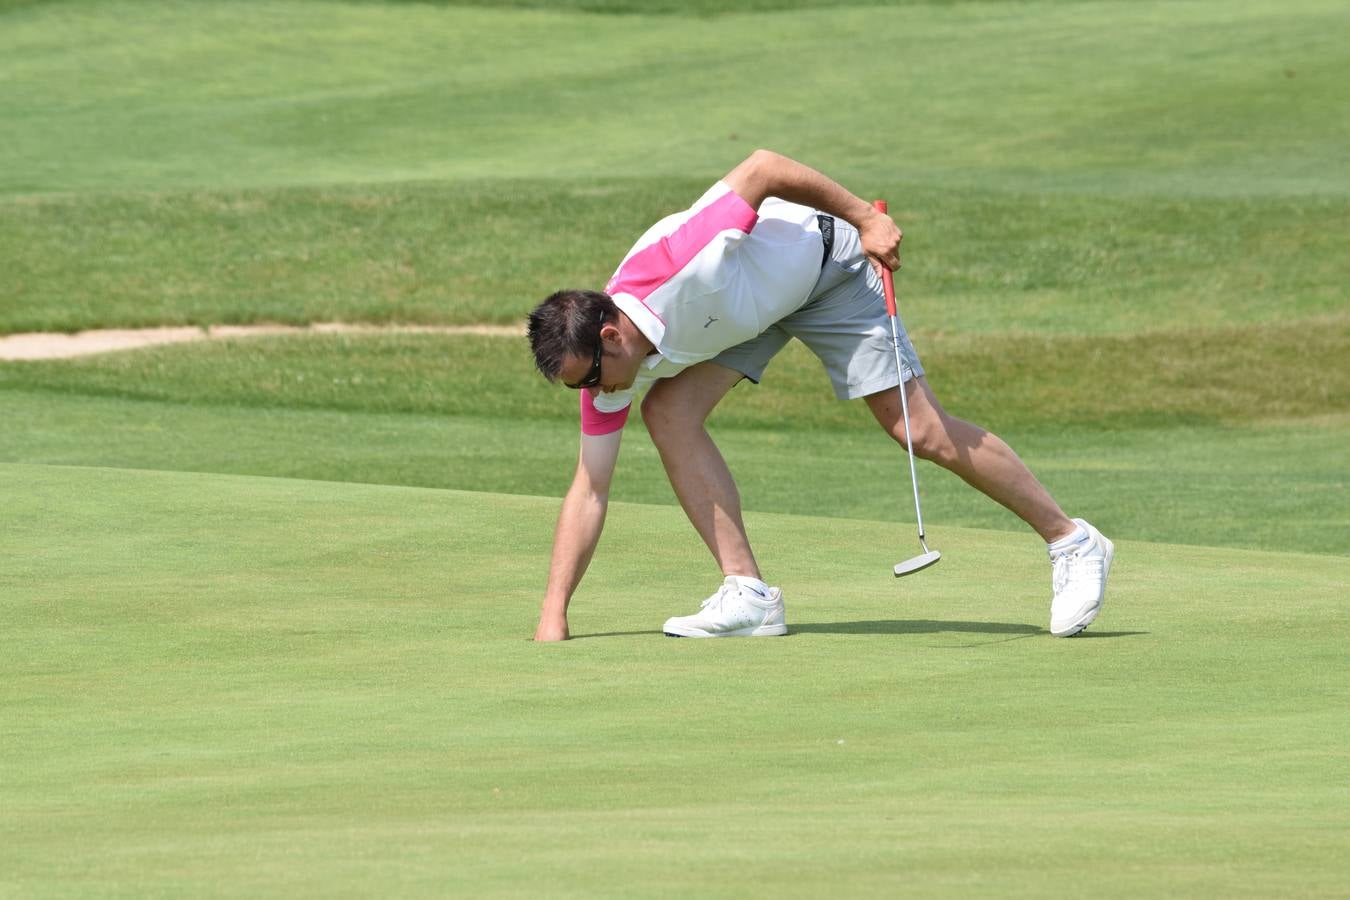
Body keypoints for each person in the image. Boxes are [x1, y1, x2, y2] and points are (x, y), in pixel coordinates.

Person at [526, 149, 1113, 641]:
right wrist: (554, 616)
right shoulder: (605, 366)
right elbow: (591, 487)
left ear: (611, 335)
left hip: (827, 268)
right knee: (669, 411)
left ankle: (1073, 541)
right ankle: (749, 595)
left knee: (919, 431)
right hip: (752, 309)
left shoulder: (683, 261)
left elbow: (762, 167)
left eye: (589, 379)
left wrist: (864, 217)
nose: (592, 393)